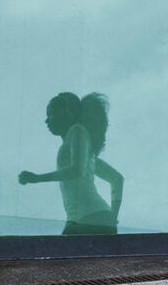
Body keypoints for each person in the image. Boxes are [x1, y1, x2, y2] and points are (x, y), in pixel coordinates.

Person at [18, 92, 125, 235]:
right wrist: (112, 218)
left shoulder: (77, 130)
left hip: (86, 219)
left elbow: (76, 170)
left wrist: (37, 178)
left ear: (69, 112)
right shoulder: (86, 151)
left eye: (51, 113)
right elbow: (117, 178)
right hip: (93, 218)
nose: (47, 120)